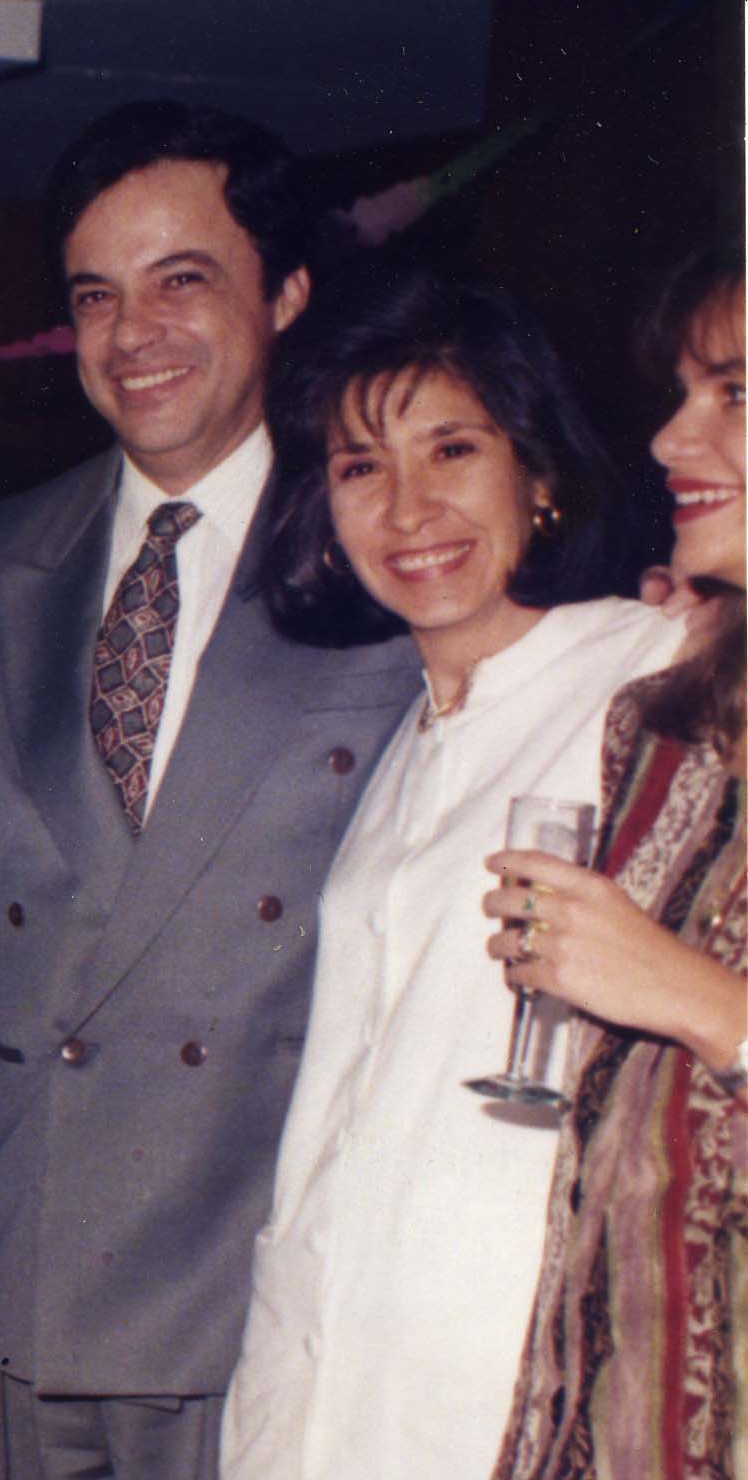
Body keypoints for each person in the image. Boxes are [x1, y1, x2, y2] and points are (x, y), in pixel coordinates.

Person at [0, 101, 423, 1480]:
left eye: (182, 281)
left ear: (285, 294)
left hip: (265, 1259)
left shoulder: (391, 554)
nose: (132, 335)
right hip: (31, 1255)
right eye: (94, 297)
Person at [214, 272, 674, 1480]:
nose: (408, 507)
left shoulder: (648, 673)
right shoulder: (402, 740)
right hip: (323, 1354)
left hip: (503, 1369)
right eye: (361, 466)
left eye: (452, 449)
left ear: (539, 472)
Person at [487, 251, 748, 1480]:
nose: (665, 438)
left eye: (733, 392)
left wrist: (696, 999)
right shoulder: (664, 723)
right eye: (681, 391)